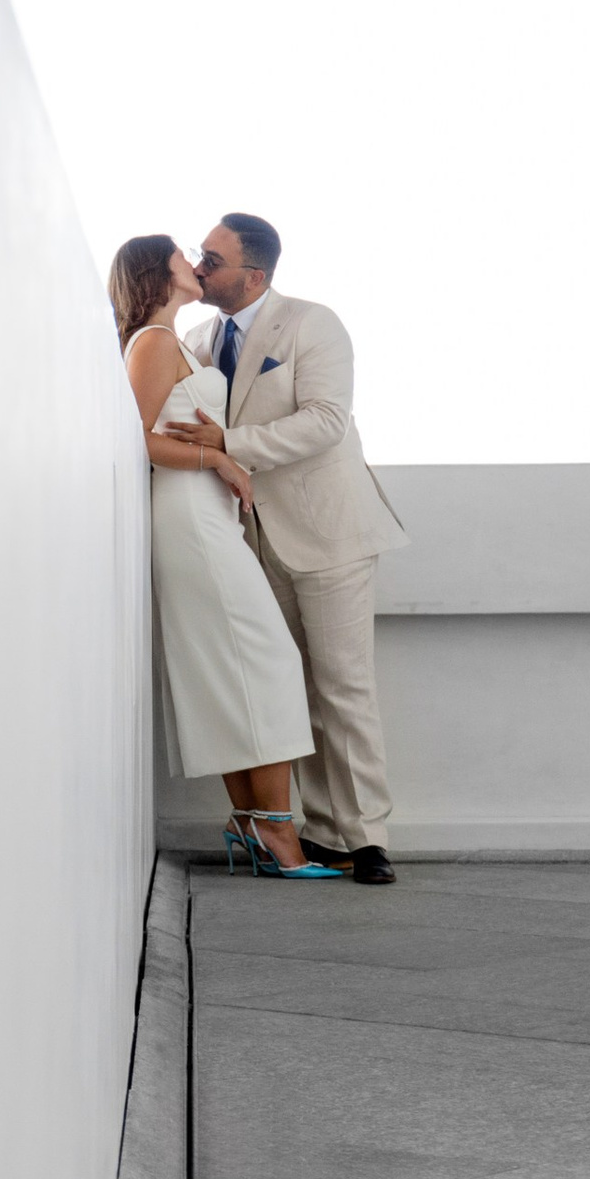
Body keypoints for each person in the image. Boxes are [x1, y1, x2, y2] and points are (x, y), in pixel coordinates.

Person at [184, 213, 407, 886]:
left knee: (343, 687)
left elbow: (326, 422)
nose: (199, 266)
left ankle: (365, 840)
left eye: (212, 259)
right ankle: (317, 832)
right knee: (284, 688)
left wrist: (228, 444)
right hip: (244, 538)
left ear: (253, 274)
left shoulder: (313, 323)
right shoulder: (194, 339)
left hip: (328, 531)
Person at [109, 237, 334, 878]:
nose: (196, 261)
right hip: (189, 520)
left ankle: (254, 826)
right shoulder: (152, 343)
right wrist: (221, 459)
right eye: (185, 254)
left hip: (204, 519)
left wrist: (220, 460)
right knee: (269, 662)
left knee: (240, 670)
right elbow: (143, 440)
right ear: (160, 272)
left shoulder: (175, 340)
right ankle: (278, 833)